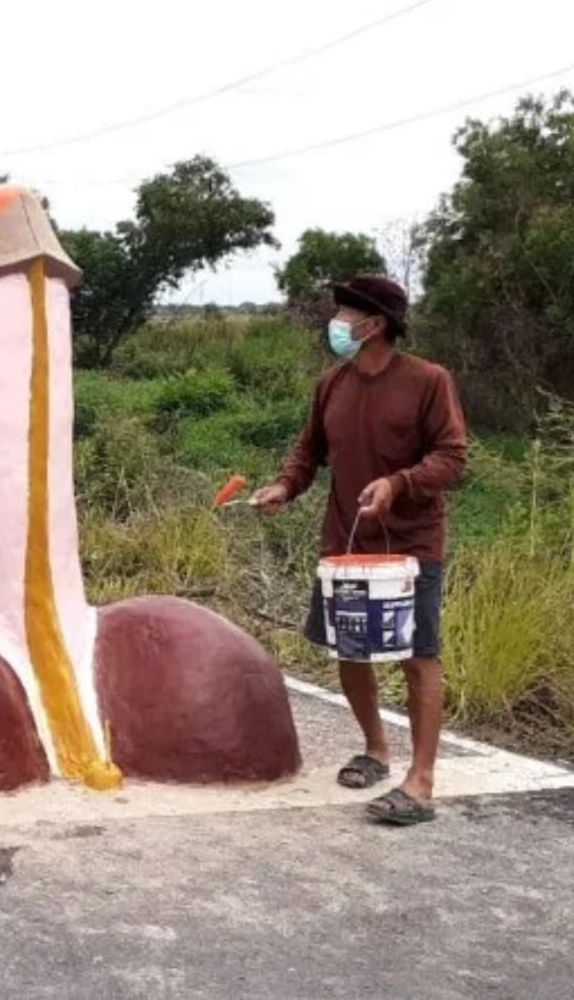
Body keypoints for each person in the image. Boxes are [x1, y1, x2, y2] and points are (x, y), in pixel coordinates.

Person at [251, 275, 468, 827]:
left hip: (411, 546)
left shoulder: (428, 381)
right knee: (350, 649)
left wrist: (398, 484)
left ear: (374, 326)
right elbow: (310, 451)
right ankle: (376, 749)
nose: (337, 324)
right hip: (345, 541)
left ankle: (420, 782)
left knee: (418, 656)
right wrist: (284, 486)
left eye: (346, 314)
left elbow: (451, 457)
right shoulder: (332, 384)